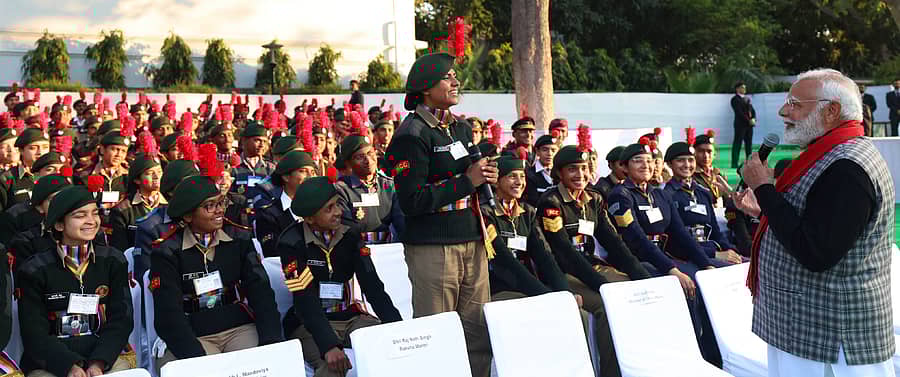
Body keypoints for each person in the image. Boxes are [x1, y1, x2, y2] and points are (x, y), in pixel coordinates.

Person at [736, 69, 895, 376]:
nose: (784, 111)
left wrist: (764, 189)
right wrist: (763, 210)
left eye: (795, 103)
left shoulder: (847, 166)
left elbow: (815, 252)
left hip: (830, 337)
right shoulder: (832, 154)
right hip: (808, 329)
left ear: (831, 110)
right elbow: (818, 224)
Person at [386, 52, 497, 377]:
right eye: (447, 77)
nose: (455, 82)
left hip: (472, 242)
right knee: (436, 335)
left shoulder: (460, 128)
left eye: (454, 76)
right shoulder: (412, 134)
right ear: (424, 88)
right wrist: (468, 180)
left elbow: (470, 178)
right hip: (435, 249)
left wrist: (483, 176)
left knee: (477, 335)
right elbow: (412, 200)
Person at [483, 151, 620, 377]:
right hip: (499, 289)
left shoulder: (526, 212)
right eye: (511, 176)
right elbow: (508, 264)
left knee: (580, 316)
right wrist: (549, 295)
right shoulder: (486, 214)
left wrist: (564, 294)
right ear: (497, 181)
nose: (519, 182)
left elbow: (545, 257)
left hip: (529, 288)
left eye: (522, 176)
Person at [149, 172, 282, 372]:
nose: (219, 211)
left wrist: (271, 341)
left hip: (238, 328)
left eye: (220, 203)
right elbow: (168, 313)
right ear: (187, 215)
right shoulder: (167, 250)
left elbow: (260, 292)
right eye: (209, 206)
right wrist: (199, 358)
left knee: (261, 367)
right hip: (193, 333)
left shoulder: (238, 238)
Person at [536, 144, 650, 377]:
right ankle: (611, 372)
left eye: (584, 168)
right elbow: (565, 252)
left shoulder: (594, 199)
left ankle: (639, 364)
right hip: (566, 273)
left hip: (592, 267)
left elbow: (615, 243)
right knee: (606, 306)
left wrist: (642, 277)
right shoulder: (552, 203)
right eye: (572, 169)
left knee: (637, 294)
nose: (580, 175)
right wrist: (602, 285)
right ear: (559, 173)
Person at [607, 140, 724, 365]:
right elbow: (638, 240)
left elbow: (680, 233)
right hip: (636, 261)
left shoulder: (660, 195)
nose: (645, 165)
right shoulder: (620, 196)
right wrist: (672, 270)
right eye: (638, 161)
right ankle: (689, 356)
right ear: (624, 167)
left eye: (649, 161)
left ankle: (712, 356)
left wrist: (705, 264)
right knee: (683, 287)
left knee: (704, 282)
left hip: (662, 259)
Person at [277, 175, 401, 377]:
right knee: (333, 367)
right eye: (329, 209)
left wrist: (396, 327)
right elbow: (304, 299)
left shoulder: (350, 232)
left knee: (391, 350)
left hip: (350, 316)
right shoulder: (291, 244)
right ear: (309, 219)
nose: (339, 212)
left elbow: (373, 286)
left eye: (337, 204)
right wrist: (328, 346)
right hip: (309, 323)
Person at [17, 185, 135, 376]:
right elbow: (34, 332)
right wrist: (69, 365)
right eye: (80, 216)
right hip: (53, 362)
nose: (91, 221)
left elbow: (122, 319)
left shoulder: (113, 260)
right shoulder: (35, 270)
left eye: (94, 213)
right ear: (59, 225)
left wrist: (98, 362)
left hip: (104, 356)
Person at [663, 142, 742, 265]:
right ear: (669, 164)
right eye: (680, 160)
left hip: (711, 249)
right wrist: (714, 254)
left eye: (691, 160)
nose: (687, 165)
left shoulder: (703, 193)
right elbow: (676, 240)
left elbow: (715, 231)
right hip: (687, 256)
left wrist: (731, 250)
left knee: (746, 265)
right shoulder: (667, 195)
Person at [334, 134, 405, 244]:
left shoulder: (388, 186)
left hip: (389, 250)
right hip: (356, 251)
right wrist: (383, 236)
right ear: (348, 163)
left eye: (370, 153)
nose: (368, 160)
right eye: (360, 157)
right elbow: (347, 230)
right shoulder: (342, 190)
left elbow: (401, 223)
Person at [254, 151, 317, 257]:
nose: (310, 176)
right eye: (303, 171)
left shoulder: (320, 209)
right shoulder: (268, 215)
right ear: (286, 177)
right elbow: (273, 253)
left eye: (313, 172)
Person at [106, 143, 165, 252]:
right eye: (150, 173)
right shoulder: (122, 210)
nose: (156, 177)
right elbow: (119, 249)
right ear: (137, 180)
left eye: (159, 172)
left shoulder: (169, 206)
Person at [5, 174, 71, 270]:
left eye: (67, 197)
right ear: (40, 207)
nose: (62, 204)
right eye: (53, 200)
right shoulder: (26, 241)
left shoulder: (87, 231)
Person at [0, 128, 49, 210]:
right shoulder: (7, 178)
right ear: (21, 150)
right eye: (33, 148)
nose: (40, 152)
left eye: (45, 147)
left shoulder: (57, 176)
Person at [524, 135, 557, 207]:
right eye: (545, 150)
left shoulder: (561, 174)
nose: (549, 154)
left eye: (553, 150)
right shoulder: (528, 174)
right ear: (537, 151)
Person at [731, 81, 756, 168]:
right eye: (742, 87)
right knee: (737, 143)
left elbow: (752, 110)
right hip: (740, 125)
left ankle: (749, 162)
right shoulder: (735, 99)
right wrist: (748, 120)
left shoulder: (747, 99)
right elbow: (739, 112)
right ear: (737, 89)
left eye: (745, 87)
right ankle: (734, 163)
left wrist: (753, 118)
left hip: (749, 126)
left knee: (749, 144)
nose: (744, 89)